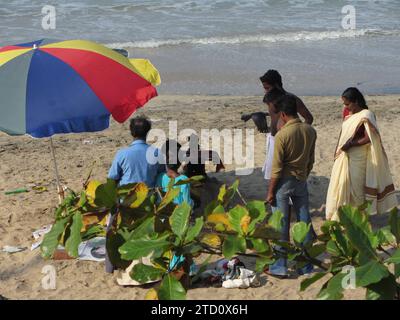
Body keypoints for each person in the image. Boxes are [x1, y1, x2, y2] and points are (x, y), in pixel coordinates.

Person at [326, 88, 398, 221]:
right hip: (344, 155)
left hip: (358, 157)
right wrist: (337, 148)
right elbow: (343, 133)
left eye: (347, 104)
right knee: (342, 185)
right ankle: (345, 218)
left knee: (357, 190)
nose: (345, 107)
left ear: (356, 101)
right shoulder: (348, 114)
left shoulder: (367, 115)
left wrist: (351, 144)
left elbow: (369, 137)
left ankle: (360, 220)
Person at [266, 95, 317, 278]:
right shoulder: (310, 130)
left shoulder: (282, 135)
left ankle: (280, 265)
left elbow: (277, 168)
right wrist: (303, 175)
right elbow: (310, 160)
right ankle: (305, 265)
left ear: (283, 115)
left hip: (284, 182)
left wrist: (270, 191)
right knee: (304, 221)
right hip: (301, 179)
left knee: (281, 224)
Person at [260, 70, 313, 181]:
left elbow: (309, 118)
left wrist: (297, 134)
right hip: (272, 139)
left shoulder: (292, 100)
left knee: (283, 174)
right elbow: (275, 117)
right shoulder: (270, 99)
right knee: (272, 174)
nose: (265, 91)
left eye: (267, 88)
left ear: (276, 85)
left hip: (286, 140)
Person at [108, 117, 163, 187]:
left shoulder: (122, 154)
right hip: (150, 195)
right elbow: (162, 175)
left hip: (127, 196)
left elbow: (112, 179)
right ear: (148, 132)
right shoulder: (157, 153)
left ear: (131, 132)